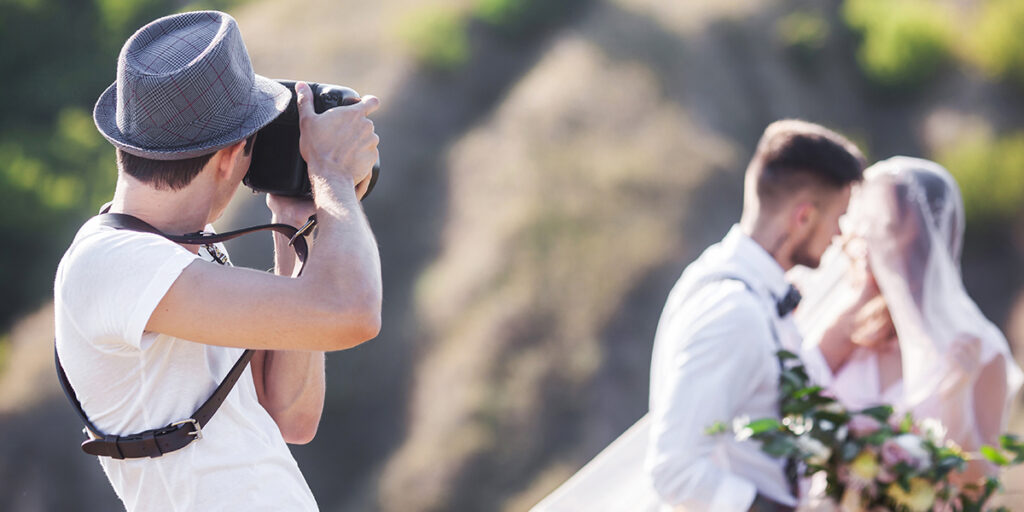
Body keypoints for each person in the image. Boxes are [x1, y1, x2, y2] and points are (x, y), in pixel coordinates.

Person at [53, 10, 381, 511]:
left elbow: (291, 415)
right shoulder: (114, 264)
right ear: (230, 155)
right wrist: (331, 174)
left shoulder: (189, 249)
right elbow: (351, 312)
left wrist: (296, 227)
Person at [532, 120, 867, 512]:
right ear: (804, 217)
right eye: (838, 218)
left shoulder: (754, 295)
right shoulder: (733, 312)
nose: (840, 234)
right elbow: (674, 469)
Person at [793, 156, 1023, 488]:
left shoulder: (978, 350)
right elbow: (789, 397)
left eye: (874, 227)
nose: (850, 240)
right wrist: (861, 297)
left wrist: (954, 400)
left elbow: (981, 488)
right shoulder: (849, 325)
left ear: (911, 237)